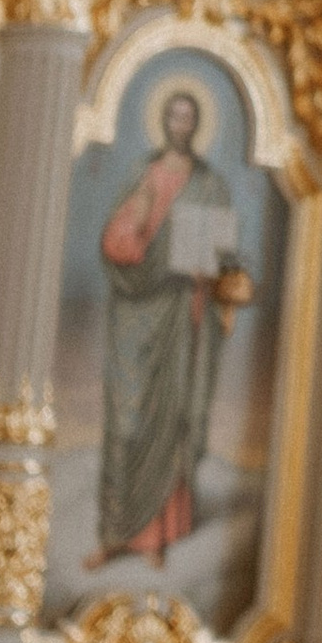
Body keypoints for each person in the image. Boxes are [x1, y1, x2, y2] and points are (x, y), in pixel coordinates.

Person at [93, 85, 241, 562]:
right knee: (128, 419)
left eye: (188, 117)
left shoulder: (210, 185)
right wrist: (134, 226)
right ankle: (118, 532)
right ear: (164, 122)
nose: (181, 125)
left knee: (172, 419)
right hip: (137, 317)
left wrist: (220, 273)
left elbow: (224, 258)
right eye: (174, 116)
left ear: (196, 126)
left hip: (183, 317)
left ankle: (157, 536)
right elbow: (116, 246)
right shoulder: (144, 175)